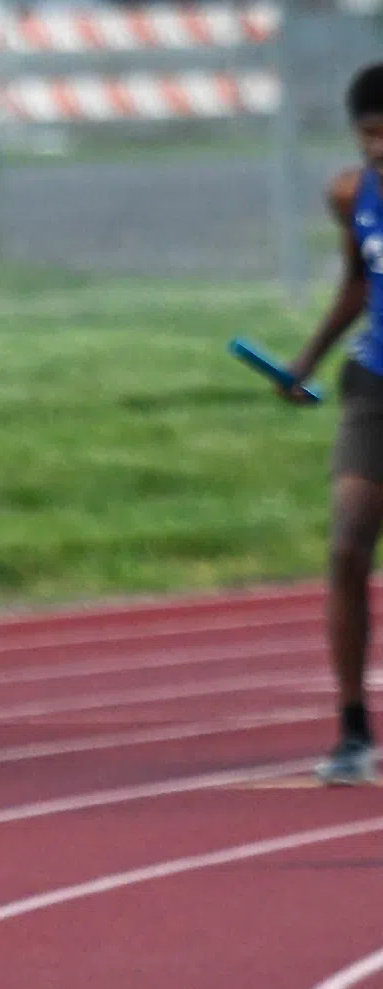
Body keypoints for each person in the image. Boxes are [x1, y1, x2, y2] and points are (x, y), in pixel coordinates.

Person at [286, 62, 383, 786]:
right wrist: (307, 360)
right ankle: (353, 730)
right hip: (375, 380)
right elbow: (357, 282)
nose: (377, 148)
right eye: (367, 135)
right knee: (348, 545)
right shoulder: (352, 194)